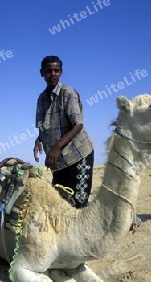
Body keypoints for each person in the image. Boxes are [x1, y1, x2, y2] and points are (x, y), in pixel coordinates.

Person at [33, 56, 95, 208]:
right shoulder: (41, 98)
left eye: (56, 70)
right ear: (42, 73)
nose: (52, 74)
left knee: (78, 205)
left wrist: (56, 147)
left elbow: (78, 125)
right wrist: (38, 140)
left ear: (61, 72)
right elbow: (44, 126)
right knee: (60, 203)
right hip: (59, 161)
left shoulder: (67, 93)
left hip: (78, 155)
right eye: (49, 71)